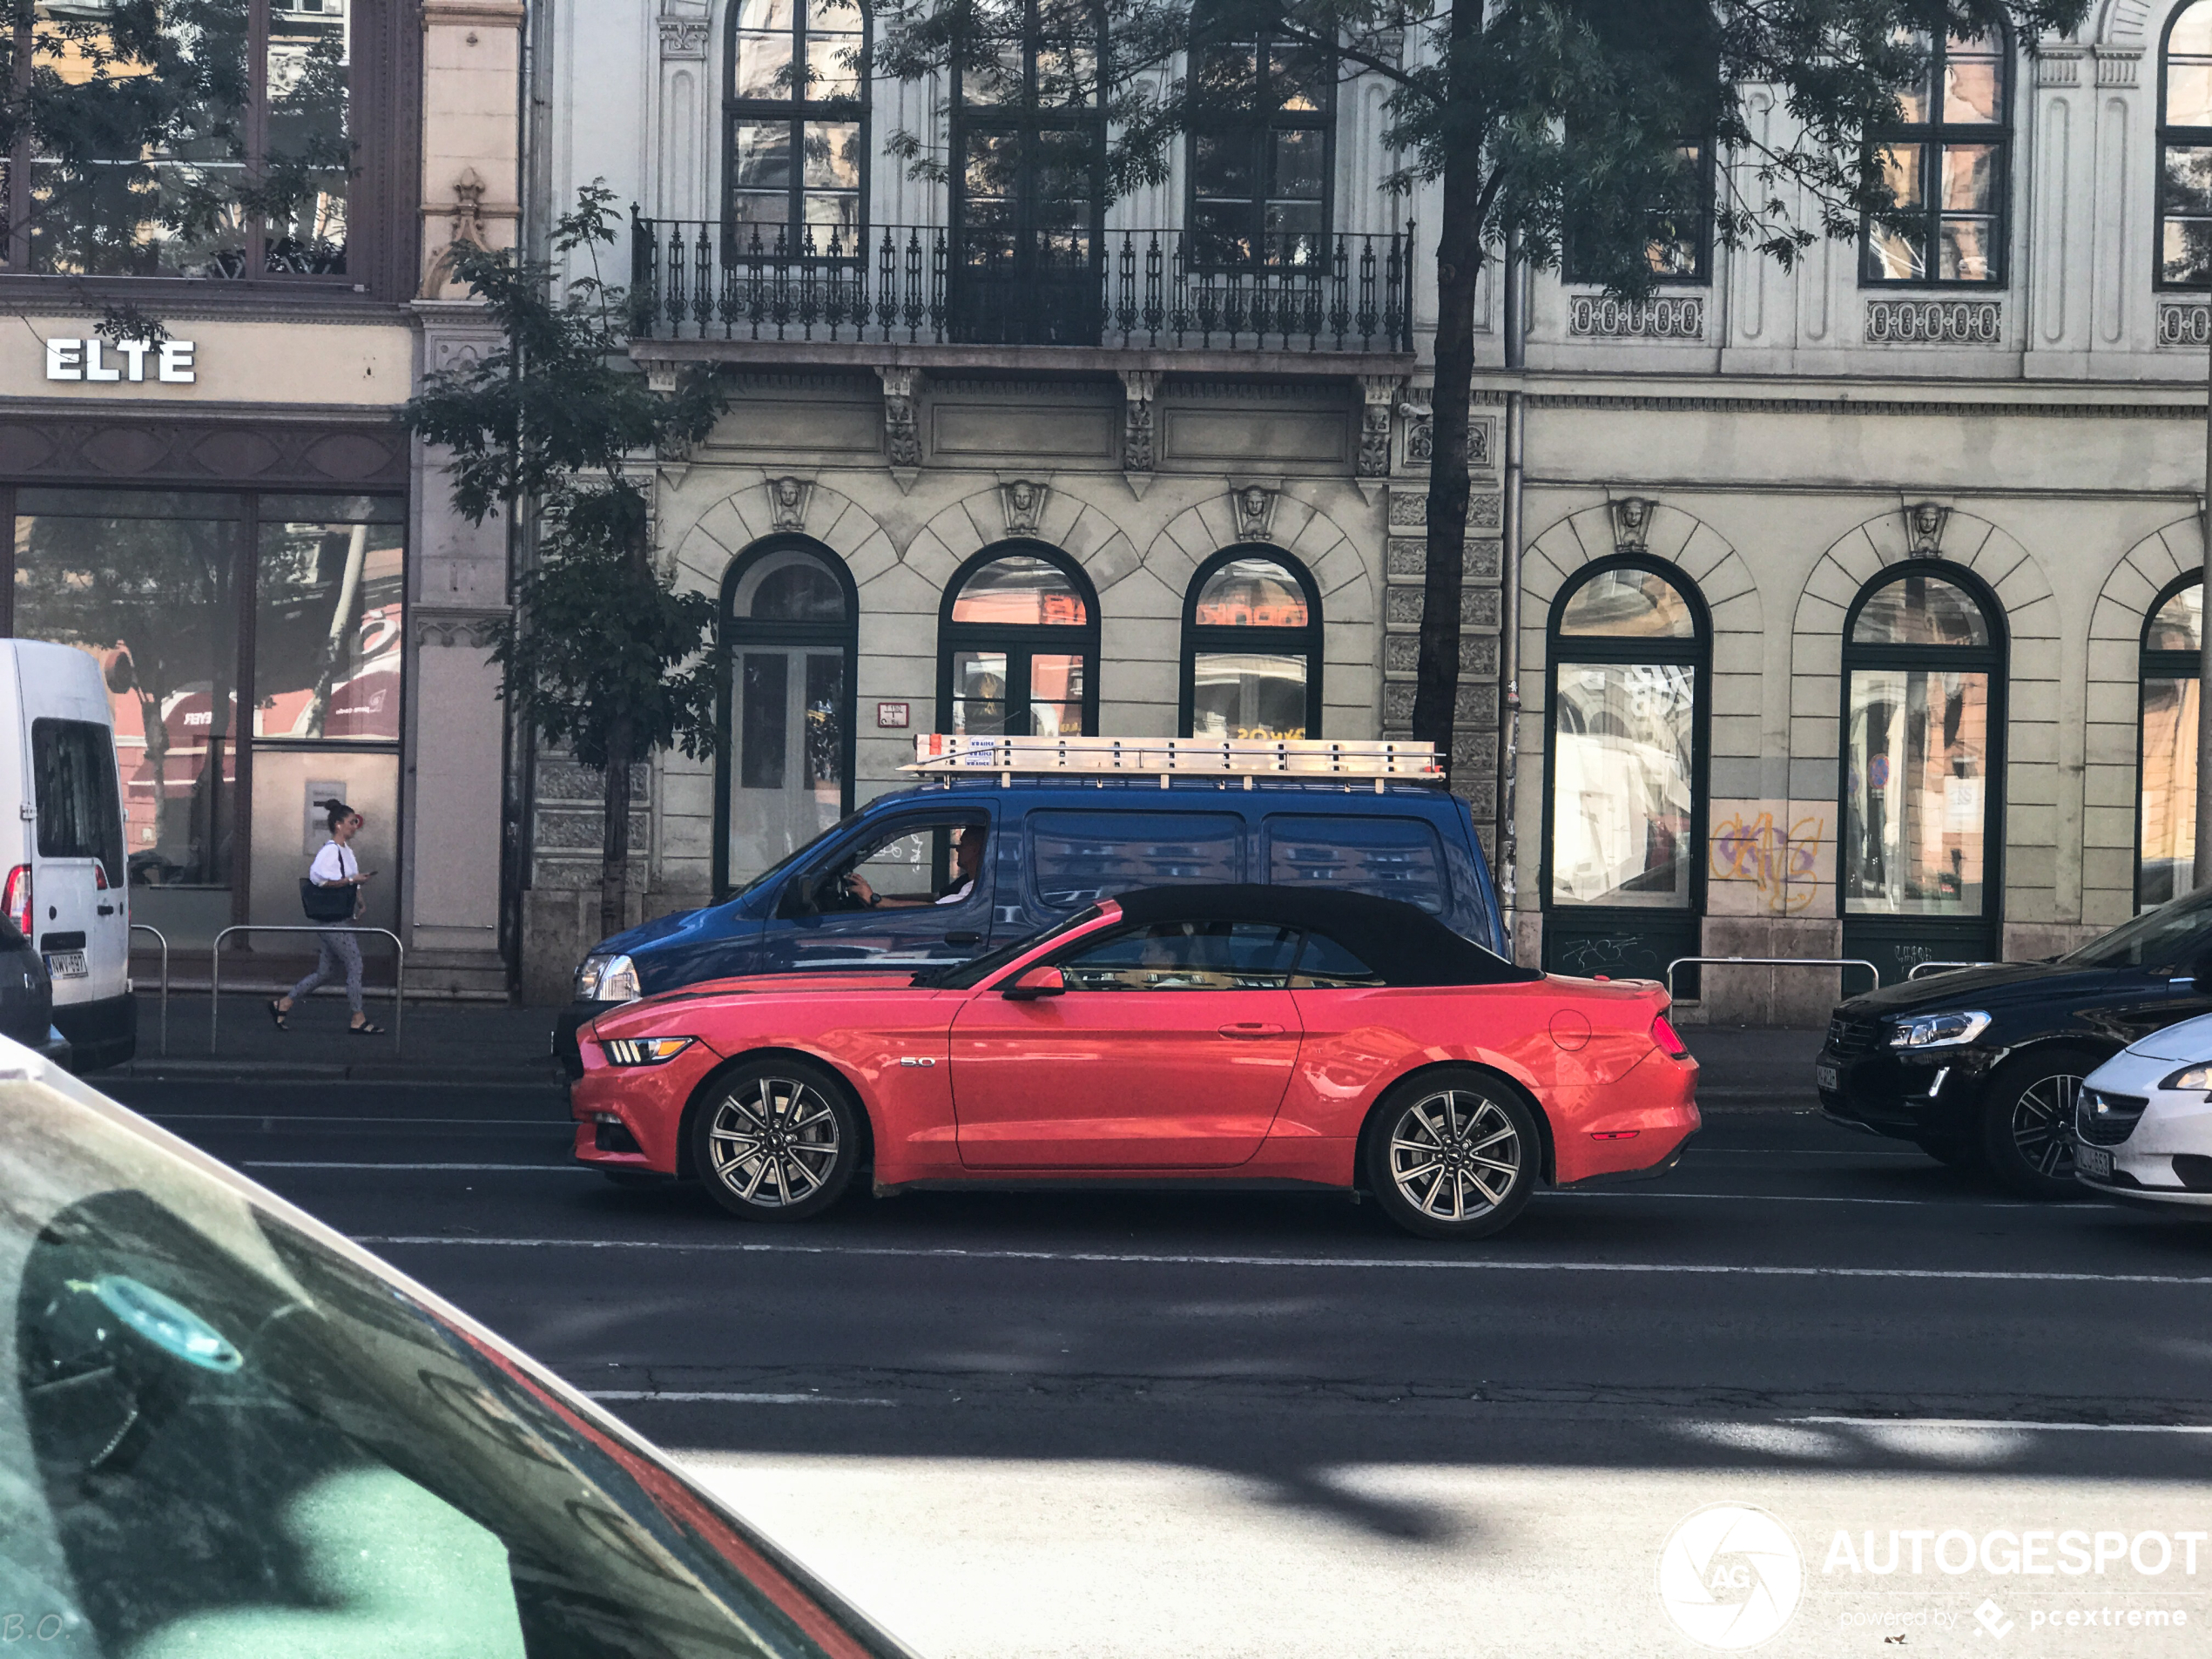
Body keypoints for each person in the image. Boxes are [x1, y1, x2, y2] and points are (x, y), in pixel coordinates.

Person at [269, 799, 385, 1035]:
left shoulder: (344, 851)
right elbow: (319, 879)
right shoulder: (331, 850)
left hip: (333, 917)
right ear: (339, 825)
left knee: (325, 972)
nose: (355, 825)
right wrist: (353, 883)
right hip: (332, 919)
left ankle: (284, 1003)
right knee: (355, 964)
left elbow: (350, 877)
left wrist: (359, 896)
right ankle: (358, 1017)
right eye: (352, 822)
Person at [847, 824, 985, 909]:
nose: (957, 849)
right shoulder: (964, 881)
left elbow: (934, 909)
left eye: (963, 844)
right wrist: (883, 897)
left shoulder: (974, 888)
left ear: (975, 850)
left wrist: (877, 901)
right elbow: (933, 898)